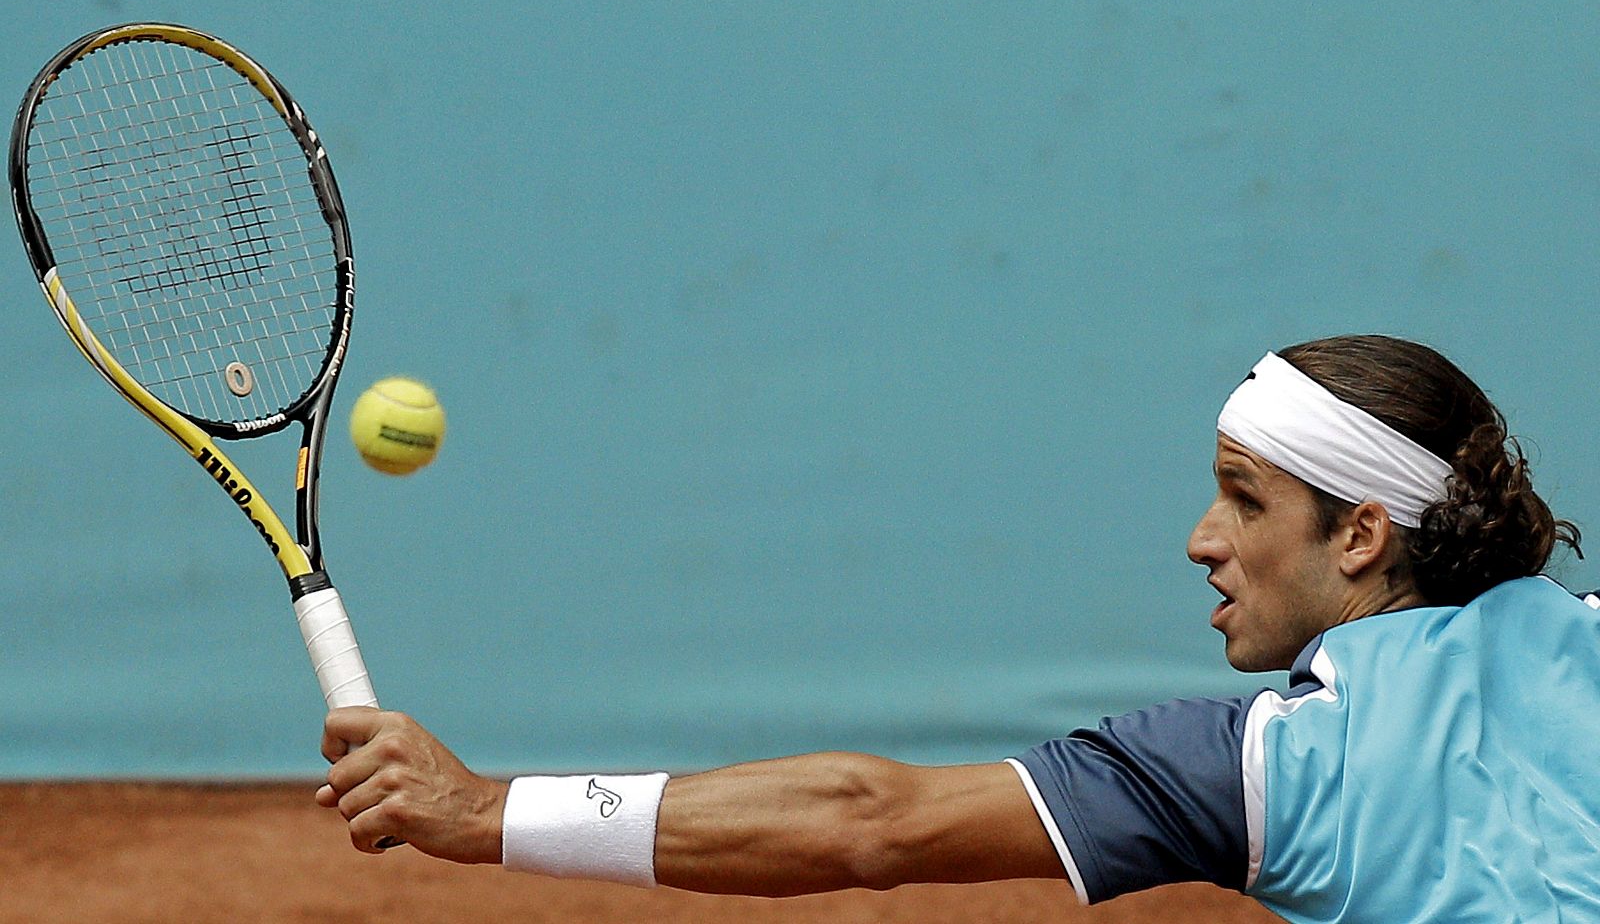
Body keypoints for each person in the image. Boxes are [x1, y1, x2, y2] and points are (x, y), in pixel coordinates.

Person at [318, 334, 1599, 921]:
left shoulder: (1269, 769)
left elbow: (865, 819)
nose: (1203, 538)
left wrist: (485, 815)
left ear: (1361, 536)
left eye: (1244, 499)